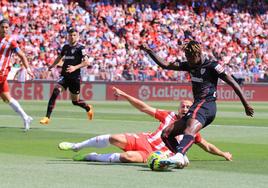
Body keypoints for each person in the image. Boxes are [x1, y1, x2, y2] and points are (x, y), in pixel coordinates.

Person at [139, 40, 254, 168]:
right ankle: (181, 156)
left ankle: (179, 156)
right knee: (166, 133)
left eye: (190, 57)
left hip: (207, 105)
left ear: (198, 53)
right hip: (197, 106)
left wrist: (246, 104)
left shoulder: (212, 66)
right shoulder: (189, 65)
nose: (188, 60)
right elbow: (165, 65)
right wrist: (149, 51)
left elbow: (233, 82)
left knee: (189, 129)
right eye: (186, 57)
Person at [58, 87, 232, 165]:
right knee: (114, 138)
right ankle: (76, 146)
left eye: (188, 106)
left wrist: (223, 153)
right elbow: (144, 107)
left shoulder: (191, 128)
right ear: (178, 108)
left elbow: (206, 145)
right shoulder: (168, 115)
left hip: (151, 154)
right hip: (144, 139)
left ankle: (91, 157)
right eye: (183, 106)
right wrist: (125, 94)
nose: (185, 108)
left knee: (127, 158)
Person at [40, 28, 93, 125]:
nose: (72, 37)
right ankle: (47, 117)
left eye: (74, 35)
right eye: (70, 35)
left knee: (75, 102)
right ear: (68, 36)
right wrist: (52, 65)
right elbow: (59, 57)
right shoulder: (65, 47)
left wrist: (75, 67)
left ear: (77, 36)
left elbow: (86, 62)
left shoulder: (81, 48)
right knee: (55, 91)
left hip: (75, 78)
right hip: (64, 76)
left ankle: (88, 108)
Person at [0, 19, 34, 131]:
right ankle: (26, 117)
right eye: (2, 27)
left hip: (2, 73)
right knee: (7, 98)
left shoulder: (11, 42)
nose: (4, 29)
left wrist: (28, 69)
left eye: (6, 27)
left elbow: (22, 56)